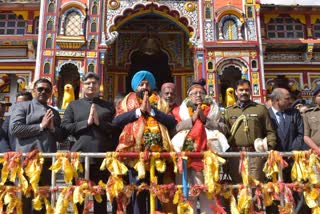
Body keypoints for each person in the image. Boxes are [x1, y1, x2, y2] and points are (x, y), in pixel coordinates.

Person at [113, 70, 176, 213]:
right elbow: (117, 121)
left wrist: (152, 111)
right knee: (138, 193)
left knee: (158, 194)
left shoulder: (160, 102)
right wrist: (139, 112)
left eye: (147, 84)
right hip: (134, 156)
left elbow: (171, 122)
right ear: (136, 87)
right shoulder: (126, 101)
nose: (145, 87)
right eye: (141, 84)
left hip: (158, 156)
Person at [171, 79, 228, 213]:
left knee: (208, 191)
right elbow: (174, 129)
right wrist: (191, 120)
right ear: (189, 96)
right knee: (186, 191)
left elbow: (224, 128)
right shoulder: (180, 111)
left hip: (208, 156)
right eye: (194, 93)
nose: (198, 95)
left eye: (201, 93)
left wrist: (205, 120)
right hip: (186, 156)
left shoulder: (215, 110)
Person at [61, 72, 115, 214]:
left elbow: (115, 128)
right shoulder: (73, 105)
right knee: (80, 194)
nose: (91, 86)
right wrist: (87, 123)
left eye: (94, 83)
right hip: (79, 156)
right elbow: (65, 126)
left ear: (99, 86)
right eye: (88, 83)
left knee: (100, 194)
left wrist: (99, 123)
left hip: (102, 157)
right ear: (82, 86)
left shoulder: (108, 106)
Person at [10, 78, 64, 214]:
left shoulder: (54, 112)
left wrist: (52, 128)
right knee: (25, 198)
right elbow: (15, 129)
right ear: (33, 91)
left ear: (51, 93)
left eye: (47, 90)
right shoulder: (22, 107)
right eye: (40, 89)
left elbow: (62, 137)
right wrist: (41, 126)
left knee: (44, 199)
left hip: (47, 162)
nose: (43, 92)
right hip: (26, 161)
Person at [224, 79, 277, 183]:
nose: (244, 93)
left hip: (255, 155)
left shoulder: (260, 109)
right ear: (235, 92)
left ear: (251, 91)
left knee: (255, 186)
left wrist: (268, 148)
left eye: (247, 90)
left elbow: (270, 131)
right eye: (241, 90)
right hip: (235, 155)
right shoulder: (229, 111)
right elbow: (225, 134)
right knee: (238, 186)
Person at [303, 84, 320, 152]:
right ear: (315, 98)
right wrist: (318, 150)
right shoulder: (308, 114)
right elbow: (306, 136)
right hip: (316, 153)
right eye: (319, 96)